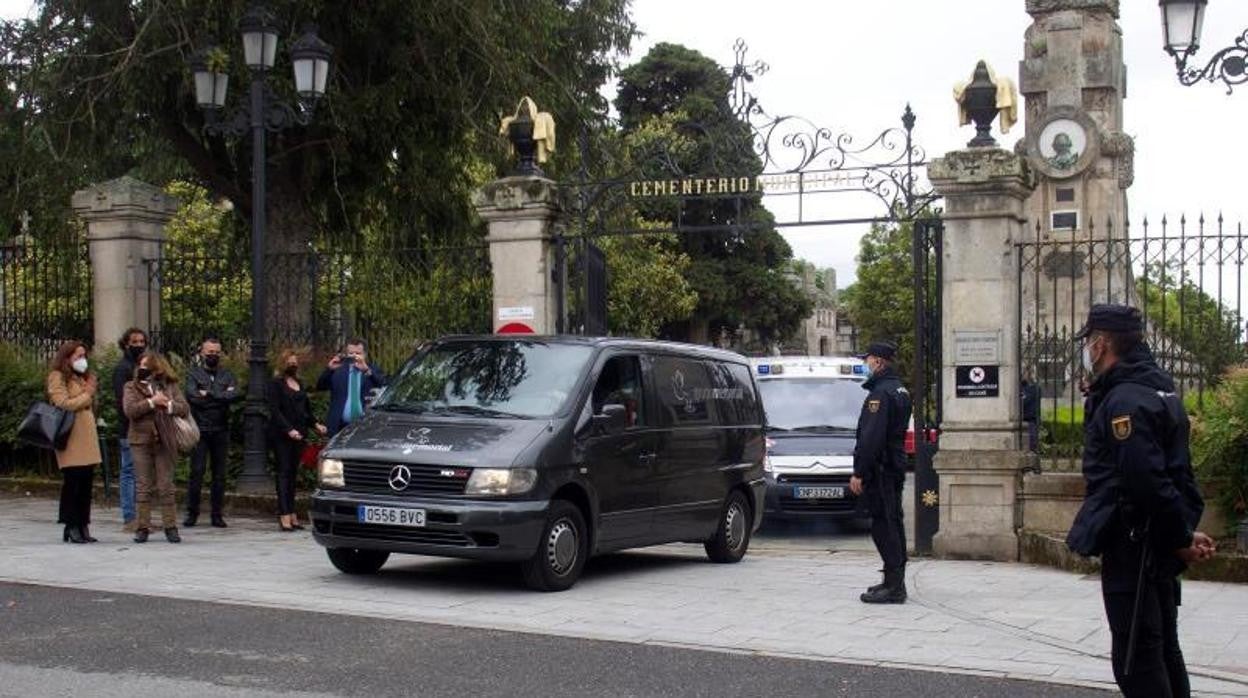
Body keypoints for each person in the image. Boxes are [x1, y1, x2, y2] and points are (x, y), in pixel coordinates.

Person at [1066, 304, 1215, 697]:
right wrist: (1180, 533)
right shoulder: (1156, 388)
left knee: (1137, 659)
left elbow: (1144, 481)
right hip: (1153, 540)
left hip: (1134, 543)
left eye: (1089, 343)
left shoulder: (1125, 401)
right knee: (1162, 647)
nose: (1087, 351)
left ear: (1101, 345)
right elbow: (1172, 475)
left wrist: (1180, 538)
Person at [848, 340, 913, 604]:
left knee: (884, 525)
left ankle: (895, 587)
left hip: (882, 468)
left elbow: (871, 438)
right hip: (893, 465)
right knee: (892, 522)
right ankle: (891, 579)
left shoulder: (880, 394)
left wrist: (859, 472)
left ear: (878, 361)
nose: (866, 364)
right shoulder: (900, 389)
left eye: (868, 360)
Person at [122, 351, 189, 544]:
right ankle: (142, 526)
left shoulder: (169, 385)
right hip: (140, 439)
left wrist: (168, 404)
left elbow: (184, 408)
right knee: (143, 485)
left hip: (165, 439)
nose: (142, 369)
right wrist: (151, 402)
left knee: (166, 485)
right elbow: (130, 411)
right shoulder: (131, 387)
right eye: (140, 365)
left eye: (147, 366)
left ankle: (170, 526)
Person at [46, 340, 102, 544]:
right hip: (70, 436)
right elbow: (63, 403)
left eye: (84, 355)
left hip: (87, 435)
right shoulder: (57, 376)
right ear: (67, 357)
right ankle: (71, 525)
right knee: (73, 482)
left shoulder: (82, 377)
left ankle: (83, 524)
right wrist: (87, 393)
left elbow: (90, 403)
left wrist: (90, 391)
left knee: (86, 482)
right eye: (78, 356)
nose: (82, 360)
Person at [183, 337, 241, 528]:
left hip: (221, 429)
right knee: (197, 472)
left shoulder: (227, 375)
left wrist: (209, 394)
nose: (213, 356)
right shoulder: (194, 374)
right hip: (200, 429)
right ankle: (192, 513)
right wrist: (220, 396)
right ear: (202, 353)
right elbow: (192, 397)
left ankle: (217, 514)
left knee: (219, 475)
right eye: (210, 352)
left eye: (216, 352)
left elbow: (234, 396)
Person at [268, 350, 327, 531]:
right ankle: (283, 514)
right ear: (282, 364)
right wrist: (288, 430)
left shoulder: (299, 383)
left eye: (295, 362)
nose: (293, 365)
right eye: (290, 362)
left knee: (293, 474)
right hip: (282, 435)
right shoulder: (276, 384)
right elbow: (275, 410)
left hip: (300, 434)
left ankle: (292, 513)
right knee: (283, 473)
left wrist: (316, 424)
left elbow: (305, 411)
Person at [112, 327, 148, 531]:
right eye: (134, 342)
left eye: (142, 341)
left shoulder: (139, 366)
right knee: (129, 472)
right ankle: (130, 517)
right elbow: (122, 402)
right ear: (126, 344)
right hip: (129, 428)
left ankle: (141, 516)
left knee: (140, 474)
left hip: (142, 427)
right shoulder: (123, 369)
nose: (139, 345)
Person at [316, 338, 387, 437]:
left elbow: (384, 385)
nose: (354, 356)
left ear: (365, 354)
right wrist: (329, 370)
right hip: (339, 426)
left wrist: (366, 370)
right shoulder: (338, 370)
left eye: (358, 353)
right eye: (351, 353)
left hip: (365, 426)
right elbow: (320, 387)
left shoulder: (372, 369)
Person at [1021, 375, 1040, 452]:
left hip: (1030, 418)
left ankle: (1032, 451)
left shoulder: (1034, 388)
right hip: (1027, 417)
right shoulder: (1034, 388)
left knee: (1032, 437)